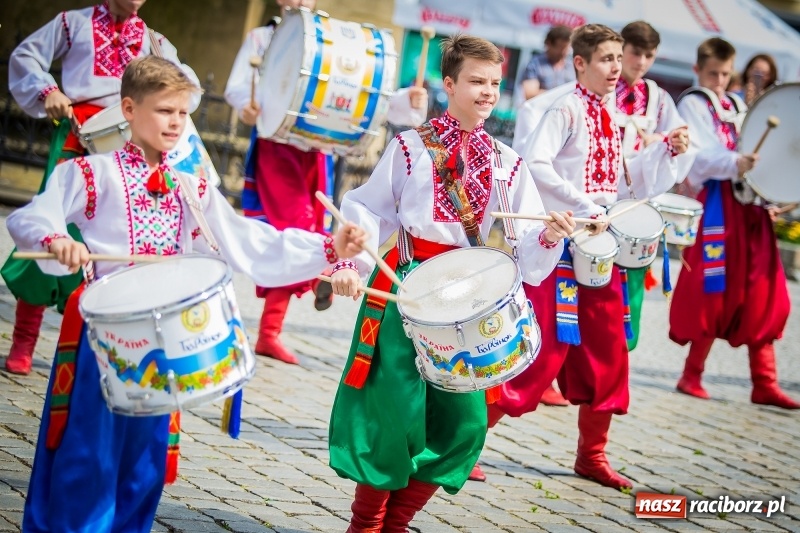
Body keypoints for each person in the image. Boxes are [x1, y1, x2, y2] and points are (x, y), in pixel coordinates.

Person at [6, 55, 366, 533]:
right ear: (129, 110)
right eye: (163, 111)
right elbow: (32, 217)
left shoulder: (191, 186)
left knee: (145, 462)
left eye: (182, 113)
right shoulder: (93, 174)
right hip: (103, 333)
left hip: (164, 338)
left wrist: (329, 246)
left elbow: (248, 241)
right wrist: (58, 240)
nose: (176, 123)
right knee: (89, 451)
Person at [326, 34, 577, 531]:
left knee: (466, 425)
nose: (487, 92)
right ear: (448, 84)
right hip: (404, 288)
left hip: (468, 298)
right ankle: (366, 525)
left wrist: (549, 234)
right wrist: (347, 266)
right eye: (475, 81)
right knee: (394, 416)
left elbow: (524, 256)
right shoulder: (410, 147)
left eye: (494, 83)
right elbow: (365, 208)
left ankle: (395, 524)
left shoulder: (509, 162)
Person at [474, 24, 688, 490]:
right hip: (559, 246)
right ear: (580, 64)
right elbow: (537, 163)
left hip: (599, 248)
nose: (617, 68)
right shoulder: (564, 108)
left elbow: (627, 179)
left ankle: (592, 456)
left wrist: (663, 152)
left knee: (609, 351)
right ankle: (463, 443)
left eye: (619, 58)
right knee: (536, 351)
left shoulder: (612, 114)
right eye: (608, 59)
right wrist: (585, 205)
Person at [224, 0, 428, 366]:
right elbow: (238, 88)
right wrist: (247, 106)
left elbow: (355, 89)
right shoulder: (261, 37)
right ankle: (271, 331)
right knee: (297, 226)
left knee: (312, 227)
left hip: (318, 148)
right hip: (278, 147)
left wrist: (403, 101)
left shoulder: (331, 38)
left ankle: (307, 289)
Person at [3, 0, 201, 376]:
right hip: (79, 139)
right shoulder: (71, 24)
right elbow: (27, 56)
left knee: (117, 241)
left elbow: (186, 89)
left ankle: (96, 344)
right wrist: (48, 92)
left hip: (130, 146)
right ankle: (24, 338)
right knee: (51, 225)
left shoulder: (154, 41)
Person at [670, 38, 799, 409]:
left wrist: (770, 192)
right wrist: (734, 163)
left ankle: (765, 381)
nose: (720, 81)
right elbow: (697, 159)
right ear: (698, 70)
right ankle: (691, 373)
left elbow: (765, 158)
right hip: (718, 208)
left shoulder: (740, 105)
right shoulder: (692, 103)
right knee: (713, 288)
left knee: (764, 289)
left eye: (726, 74)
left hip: (751, 209)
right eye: (713, 73)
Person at [614, 21, 692, 351]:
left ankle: (618, 353)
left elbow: (681, 140)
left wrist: (672, 142)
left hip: (637, 201)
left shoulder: (658, 98)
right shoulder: (601, 87)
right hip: (598, 194)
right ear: (620, 48)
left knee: (630, 286)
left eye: (649, 55)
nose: (642, 62)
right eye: (636, 52)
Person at [519, 25, 575, 102]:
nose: (563, 52)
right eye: (560, 47)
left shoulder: (572, 67)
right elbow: (530, 94)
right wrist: (560, 96)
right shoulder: (535, 64)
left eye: (566, 48)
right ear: (549, 44)